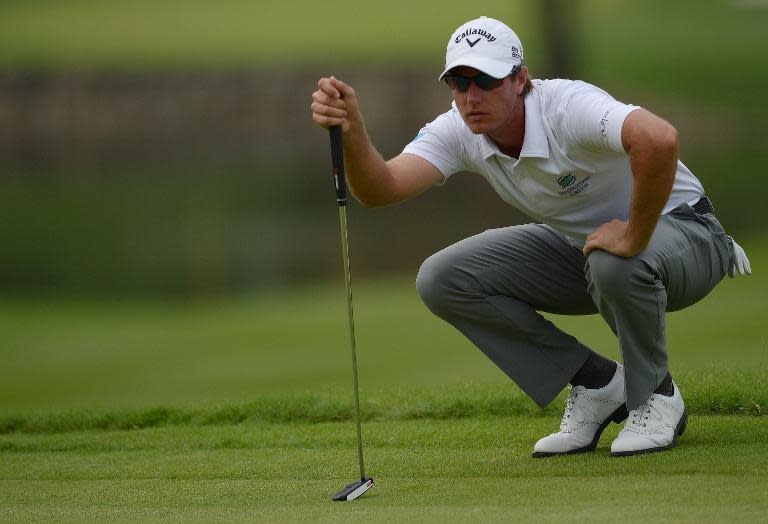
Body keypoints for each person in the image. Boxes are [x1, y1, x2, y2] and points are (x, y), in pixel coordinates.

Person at [310, 16, 751, 457]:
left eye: (485, 79)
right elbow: (381, 189)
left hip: (689, 234)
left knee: (613, 260)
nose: (471, 96)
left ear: (521, 80)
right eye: (459, 83)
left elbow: (659, 139)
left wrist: (635, 235)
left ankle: (656, 394)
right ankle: (597, 383)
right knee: (443, 279)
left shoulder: (565, 106)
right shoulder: (458, 130)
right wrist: (353, 133)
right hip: (587, 249)